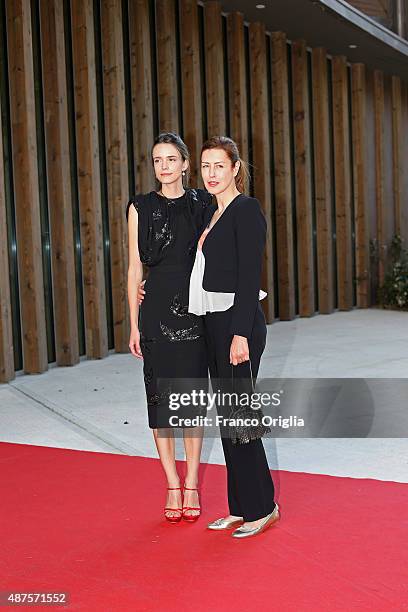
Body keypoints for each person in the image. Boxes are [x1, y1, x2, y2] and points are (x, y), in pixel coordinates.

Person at [188, 136, 279, 538]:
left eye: (218, 166)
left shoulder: (246, 210)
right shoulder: (210, 212)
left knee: (240, 416)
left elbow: (248, 277)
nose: (211, 174)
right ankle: (240, 507)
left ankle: (263, 507)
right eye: (205, 166)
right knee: (228, 418)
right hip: (212, 321)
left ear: (235, 168)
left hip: (237, 323)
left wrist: (240, 333)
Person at [126, 132, 211, 523]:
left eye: (171, 159)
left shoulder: (203, 203)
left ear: (185, 164)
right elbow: (133, 269)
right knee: (161, 404)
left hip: (195, 308)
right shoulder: (139, 207)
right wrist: (133, 324)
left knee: (190, 402)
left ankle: (192, 480)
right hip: (156, 309)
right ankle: (171, 482)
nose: (163, 167)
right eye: (157, 160)